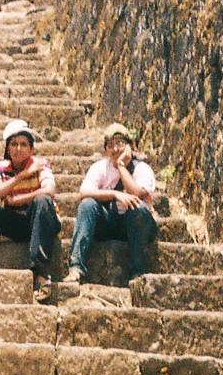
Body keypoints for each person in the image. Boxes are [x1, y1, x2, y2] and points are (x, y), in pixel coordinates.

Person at [0, 119, 60, 302]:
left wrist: (15, 200)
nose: (19, 149)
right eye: (14, 144)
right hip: (17, 223)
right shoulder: (1, 168)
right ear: (8, 149)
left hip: (42, 222)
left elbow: (49, 191)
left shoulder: (41, 164)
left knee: (42, 201)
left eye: (24, 145)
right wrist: (22, 176)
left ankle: (40, 274)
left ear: (31, 149)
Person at [67, 122, 159, 287]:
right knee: (87, 205)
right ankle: (76, 268)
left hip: (136, 226)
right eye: (110, 145)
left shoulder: (142, 169)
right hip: (109, 223)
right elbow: (84, 192)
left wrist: (121, 166)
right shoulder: (101, 167)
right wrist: (114, 194)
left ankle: (137, 272)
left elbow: (137, 193)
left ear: (130, 146)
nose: (115, 149)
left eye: (120, 144)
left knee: (138, 208)